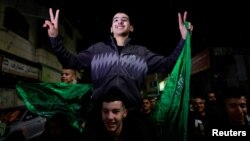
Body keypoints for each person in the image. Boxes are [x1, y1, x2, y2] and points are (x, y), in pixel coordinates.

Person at [43, 8, 193, 109]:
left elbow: (168, 64)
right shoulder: (97, 49)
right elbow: (70, 62)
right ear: (111, 28)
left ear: (131, 27)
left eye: (124, 20)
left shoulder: (142, 52)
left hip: (133, 115)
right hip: (100, 116)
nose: (120, 22)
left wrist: (183, 39)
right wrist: (54, 37)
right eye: (116, 20)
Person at [82, 87, 157, 141]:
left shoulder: (140, 133)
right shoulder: (92, 135)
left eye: (115, 111)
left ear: (124, 113)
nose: (110, 117)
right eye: (105, 111)